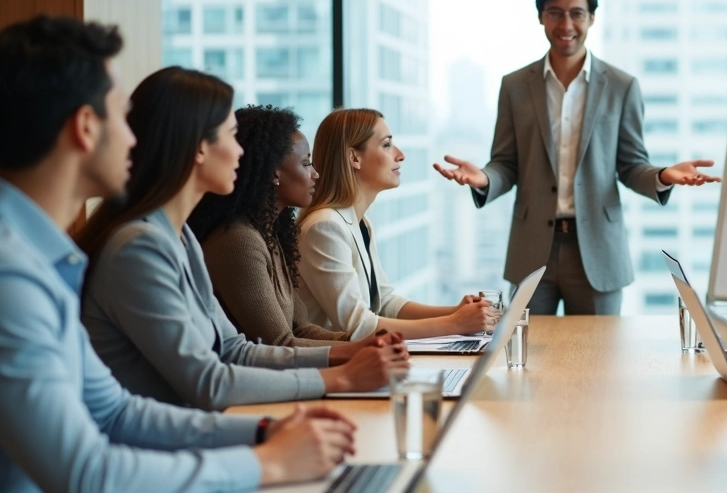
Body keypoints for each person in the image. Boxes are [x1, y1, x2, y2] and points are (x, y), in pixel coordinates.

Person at [0, 15, 356, 493]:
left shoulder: (45, 260)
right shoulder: (16, 278)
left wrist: (262, 433)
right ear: (84, 127)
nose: (133, 138)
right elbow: (88, 483)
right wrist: (265, 461)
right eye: (121, 117)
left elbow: (117, 412)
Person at [75, 67, 409, 411]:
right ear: (198, 148)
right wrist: (341, 376)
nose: (241, 152)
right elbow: (208, 382)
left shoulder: (183, 238)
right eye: (231, 136)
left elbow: (235, 350)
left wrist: (353, 351)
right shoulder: (141, 248)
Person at [433, 0, 721, 316]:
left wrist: (662, 176)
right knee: (526, 358)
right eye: (555, 13)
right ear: (541, 16)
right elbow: (506, 163)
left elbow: (631, 166)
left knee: (598, 362)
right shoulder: (514, 86)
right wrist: (484, 178)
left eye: (576, 14)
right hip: (531, 249)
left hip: (598, 250)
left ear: (592, 18)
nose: (566, 25)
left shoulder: (621, 86)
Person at [298, 108, 492, 340]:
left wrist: (458, 313)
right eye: (387, 145)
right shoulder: (324, 227)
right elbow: (357, 325)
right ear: (354, 158)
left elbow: (387, 302)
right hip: (334, 368)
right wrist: (455, 324)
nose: (400, 155)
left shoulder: (359, 223)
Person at [189, 105, 362, 347]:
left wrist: (365, 343)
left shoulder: (270, 233)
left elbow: (300, 327)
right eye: (306, 164)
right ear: (274, 173)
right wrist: (358, 350)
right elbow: (280, 343)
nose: (316, 174)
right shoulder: (239, 241)